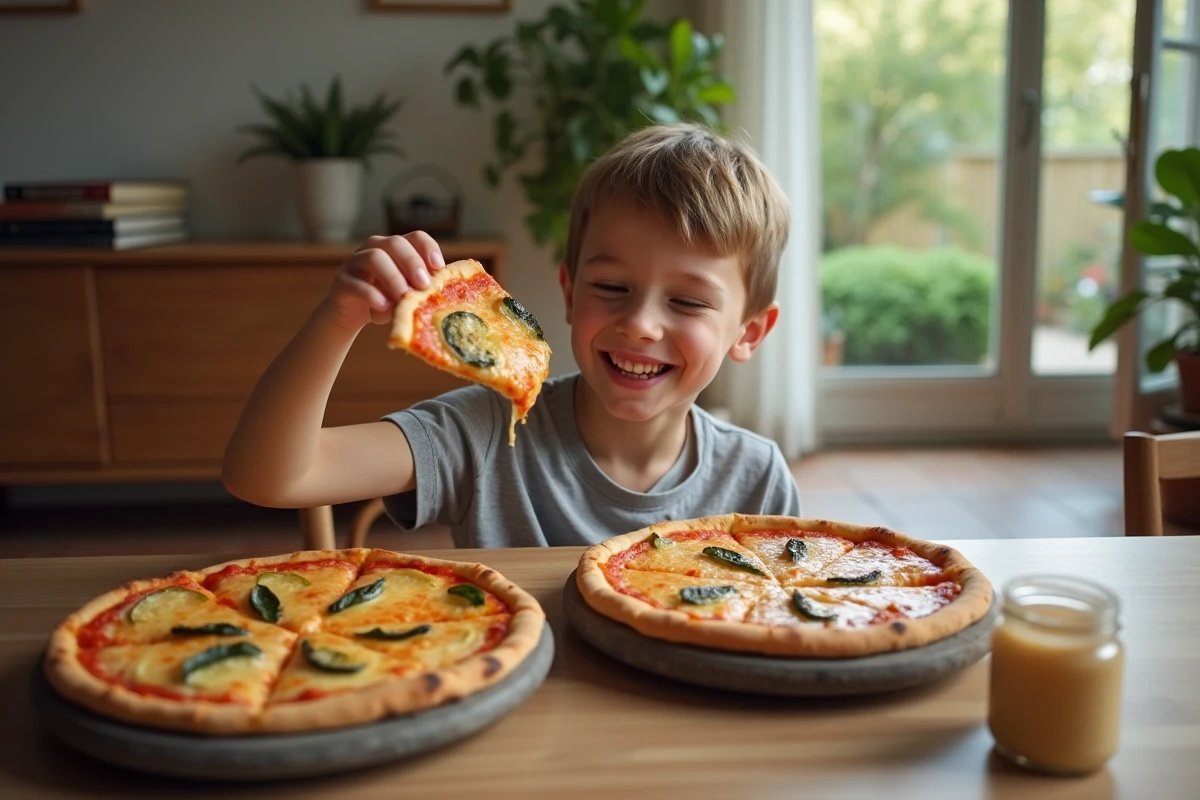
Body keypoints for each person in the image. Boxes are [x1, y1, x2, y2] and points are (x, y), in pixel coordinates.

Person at [223, 123, 801, 548]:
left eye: (688, 301)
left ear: (748, 333)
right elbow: (269, 476)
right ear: (570, 293)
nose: (641, 324)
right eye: (613, 288)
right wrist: (339, 319)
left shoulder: (757, 479)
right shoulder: (484, 431)